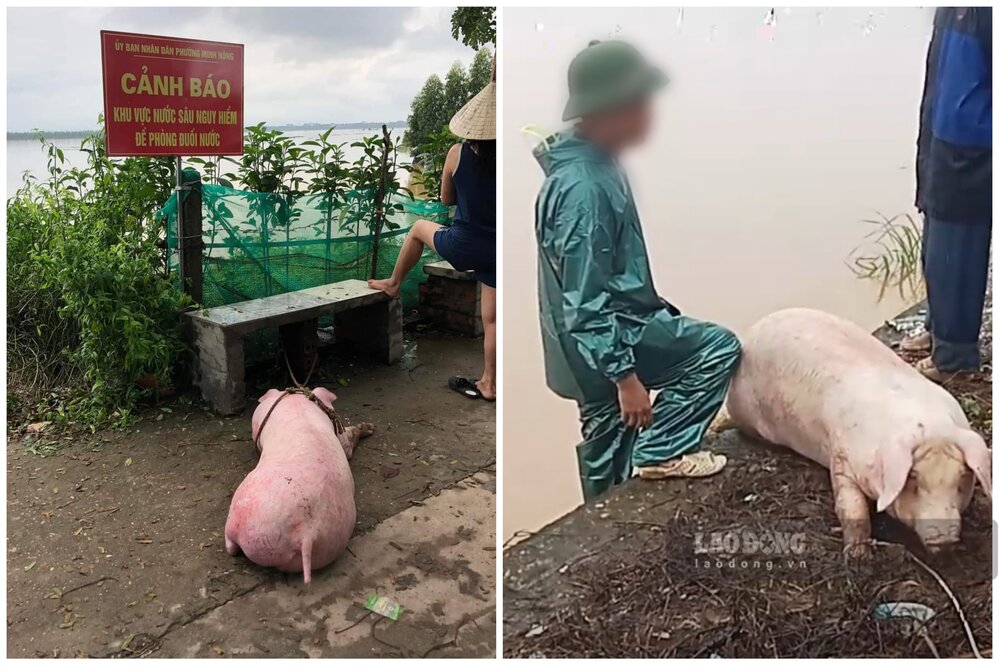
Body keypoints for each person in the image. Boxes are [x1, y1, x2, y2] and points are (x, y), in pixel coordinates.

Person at [533, 40, 742, 501]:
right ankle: (662, 450)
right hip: (607, 337)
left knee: (610, 435)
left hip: (587, 344)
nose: (650, 115)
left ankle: (612, 501)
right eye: (640, 105)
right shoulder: (583, 189)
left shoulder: (591, 165)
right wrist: (626, 376)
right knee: (716, 349)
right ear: (609, 112)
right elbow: (585, 304)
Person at [369, 66, 497, 401]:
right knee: (493, 321)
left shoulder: (458, 153)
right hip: (502, 249)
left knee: (417, 228)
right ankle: (489, 382)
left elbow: (446, 199)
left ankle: (394, 282)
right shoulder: (517, 157)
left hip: (464, 246)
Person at [902, 7, 992, 382]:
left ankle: (956, 356)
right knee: (936, 235)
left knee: (959, 242)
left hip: (974, 139)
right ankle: (939, 328)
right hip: (942, 130)